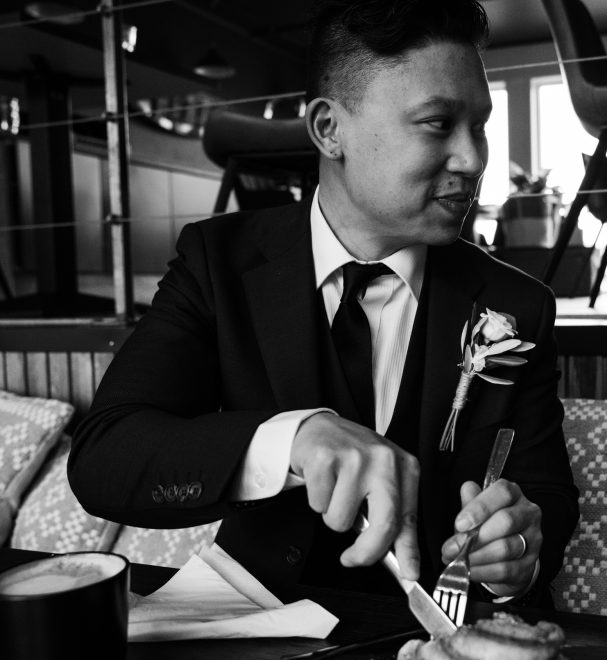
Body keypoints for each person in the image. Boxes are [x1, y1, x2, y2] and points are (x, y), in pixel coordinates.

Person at [69, 0, 579, 606]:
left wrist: (517, 549)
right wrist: (293, 439)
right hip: (257, 636)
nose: (473, 160)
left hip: (443, 647)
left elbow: (545, 497)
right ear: (329, 130)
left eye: (481, 125)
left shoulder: (516, 303)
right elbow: (106, 457)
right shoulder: (217, 261)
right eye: (439, 124)